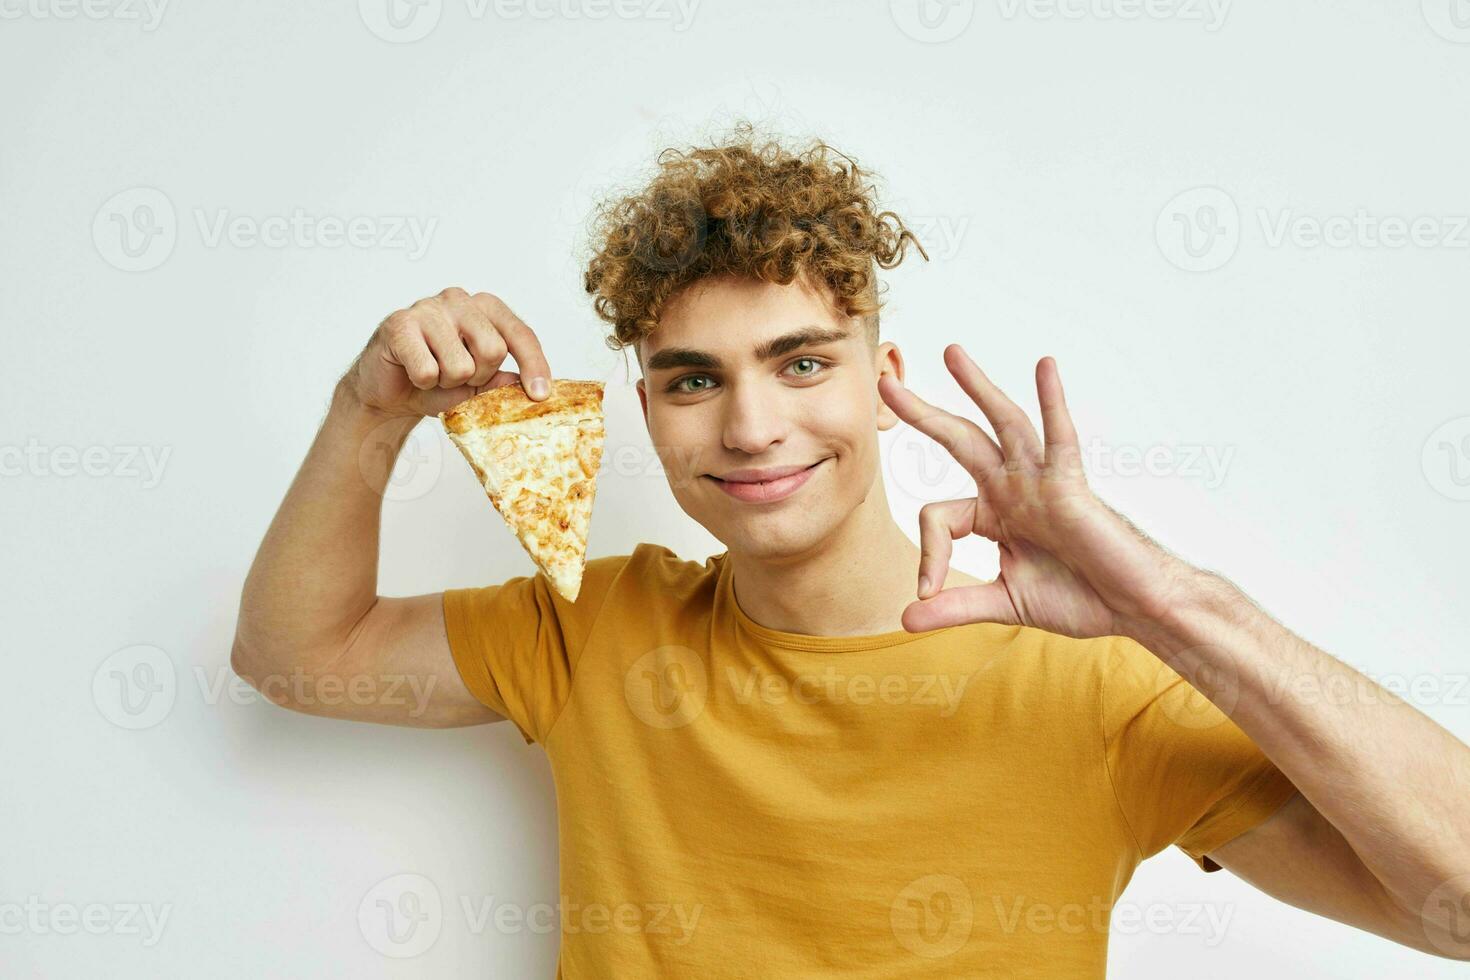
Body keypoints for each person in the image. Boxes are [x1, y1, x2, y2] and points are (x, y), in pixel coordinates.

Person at [231, 123, 1470, 976]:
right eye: (692, 378)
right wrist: (368, 410)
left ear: (882, 380)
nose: (753, 423)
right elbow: (298, 654)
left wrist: (1173, 602)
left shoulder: (1092, 679)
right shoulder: (592, 627)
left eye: (802, 360)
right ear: (646, 405)